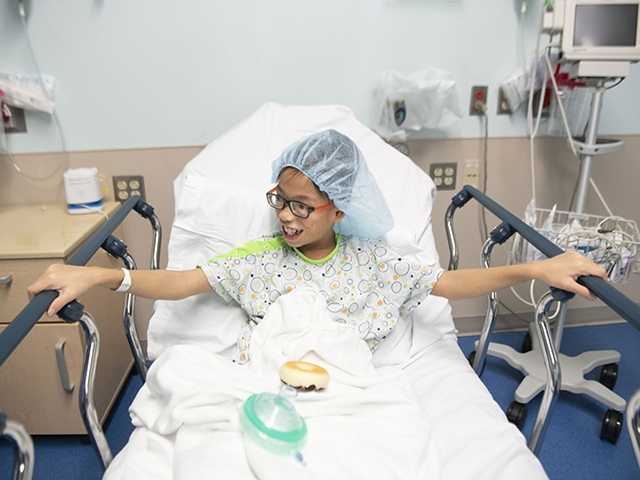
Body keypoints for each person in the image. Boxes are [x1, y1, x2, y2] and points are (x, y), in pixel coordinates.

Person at [28, 130, 607, 360]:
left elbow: (445, 282)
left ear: (339, 209)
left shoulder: (373, 261)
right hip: (271, 389)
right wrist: (103, 277)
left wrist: (533, 266)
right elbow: (181, 282)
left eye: (301, 205)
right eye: (279, 199)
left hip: (349, 391)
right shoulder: (258, 260)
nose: (284, 214)